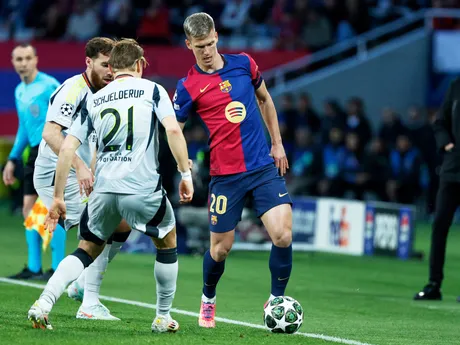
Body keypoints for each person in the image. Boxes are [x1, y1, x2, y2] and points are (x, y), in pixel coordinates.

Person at [28, 38, 193, 332]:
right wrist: (186, 173)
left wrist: (57, 198)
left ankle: (43, 303)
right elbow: (171, 128)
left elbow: (67, 148)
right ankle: (162, 316)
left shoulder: (95, 99)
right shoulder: (152, 90)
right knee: (167, 240)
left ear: (113, 66)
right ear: (140, 65)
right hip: (140, 188)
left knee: (86, 247)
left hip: (103, 191)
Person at [173, 12, 293, 328]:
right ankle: (208, 298)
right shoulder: (188, 87)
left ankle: (277, 300)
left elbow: (265, 100)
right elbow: (174, 131)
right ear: (189, 45)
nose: (208, 51)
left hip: (262, 167)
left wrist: (277, 143)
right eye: (200, 47)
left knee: (282, 234)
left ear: (217, 37)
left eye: (211, 43)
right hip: (225, 177)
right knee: (221, 249)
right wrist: (183, 168)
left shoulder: (244, 64)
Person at [33, 37, 129, 320]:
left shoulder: (106, 92)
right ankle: (89, 302)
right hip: (56, 172)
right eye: (104, 65)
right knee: (96, 229)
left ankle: (81, 282)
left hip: (82, 173)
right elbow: (50, 134)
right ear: (88, 62)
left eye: (113, 65)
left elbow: (96, 140)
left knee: (121, 224)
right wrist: (80, 167)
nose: (110, 71)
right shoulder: (72, 90)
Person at [3, 43, 62, 281]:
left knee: (50, 209)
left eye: (28, 58)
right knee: (29, 210)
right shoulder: (19, 91)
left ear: (36, 60)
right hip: (33, 153)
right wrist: (12, 158)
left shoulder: (49, 86)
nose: (23, 63)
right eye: (19, 59)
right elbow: (23, 129)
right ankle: (35, 267)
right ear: (13, 62)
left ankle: (57, 268)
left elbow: (68, 116)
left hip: (51, 150)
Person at [414, 78, 460, 301]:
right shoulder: (456, 86)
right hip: (452, 170)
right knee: (440, 224)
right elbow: (440, 122)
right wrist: (447, 144)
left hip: (452, 167)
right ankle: (434, 284)